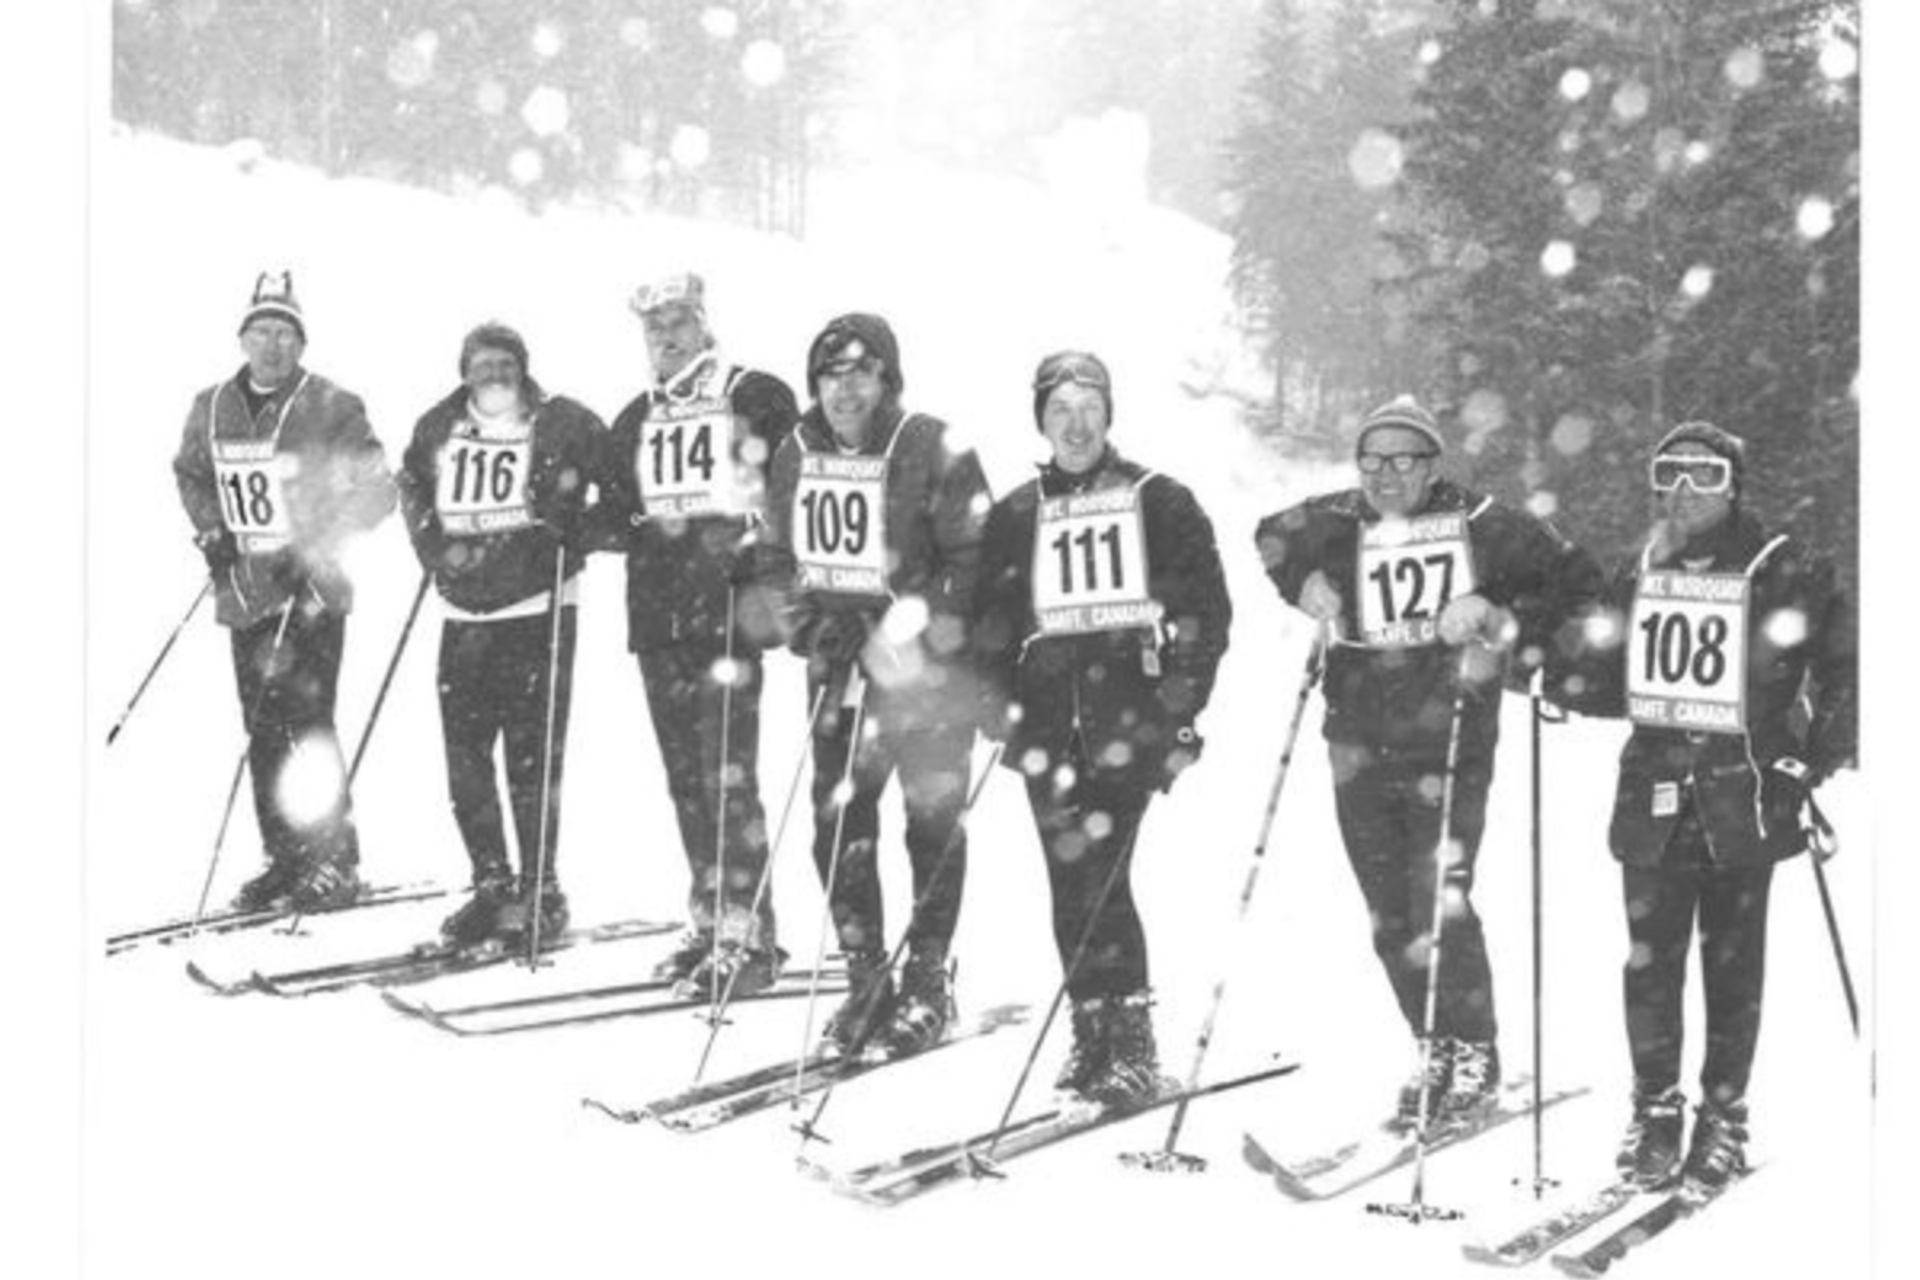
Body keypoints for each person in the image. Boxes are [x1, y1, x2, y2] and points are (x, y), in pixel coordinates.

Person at [1254, 395, 1603, 1129]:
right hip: (1356, 736)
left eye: (1403, 460)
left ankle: (1474, 1048)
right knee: (1387, 911)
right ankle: (1433, 1042)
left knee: (1437, 896)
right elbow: (1269, 536)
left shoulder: (1484, 524)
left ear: (1432, 464)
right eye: (1372, 459)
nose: (1385, 475)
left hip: (1449, 733)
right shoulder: (1338, 517)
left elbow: (1577, 582)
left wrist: (1493, 613)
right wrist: (1303, 585)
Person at [1554, 422, 1855, 1195]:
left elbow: (1846, 666)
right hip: (1654, 796)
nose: (1684, 492)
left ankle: (1723, 1116)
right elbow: (1602, 672)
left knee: (1732, 966)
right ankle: (1655, 1108)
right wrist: (1541, 664)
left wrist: (1810, 755)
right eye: (1670, 474)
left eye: (1704, 475)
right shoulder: (1643, 566)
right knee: (1649, 964)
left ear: (1734, 485)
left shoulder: (1785, 565)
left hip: (1743, 798)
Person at [973, 351, 1231, 1105]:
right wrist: (998, 707)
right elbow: (990, 622)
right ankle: (1091, 1028)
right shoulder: (1020, 512)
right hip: (1049, 727)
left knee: (1105, 874)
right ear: (1042, 422)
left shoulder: (1160, 501)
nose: (1076, 424)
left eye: (1089, 408)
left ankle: (1133, 1038)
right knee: (1068, 880)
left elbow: (1206, 617)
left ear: (1109, 416)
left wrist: (1180, 710)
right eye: (1060, 410)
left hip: (1128, 720)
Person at [754, 312, 990, 1058]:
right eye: (831, 374)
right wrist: (814, 629)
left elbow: (977, 558)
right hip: (841, 674)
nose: (845, 388)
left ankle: (926, 978)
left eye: (861, 371)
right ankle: (866, 973)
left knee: (931, 824)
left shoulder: (930, 443)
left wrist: (910, 625)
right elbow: (773, 559)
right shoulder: (794, 452)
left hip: (925, 677)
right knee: (839, 831)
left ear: (887, 378)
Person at [592, 273, 797, 995]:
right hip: (657, 619)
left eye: (679, 323)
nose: (667, 338)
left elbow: (792, 485)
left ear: (704, 324)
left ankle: (752, 932)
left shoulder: (754, 394)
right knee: (685, 779)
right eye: (654, 328)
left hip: (727, 618)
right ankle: (710, 918)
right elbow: (618, 514)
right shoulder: (633, 418)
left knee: (729, 777)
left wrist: (762, 558)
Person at [174, 270, 396, 912]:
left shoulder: (331, 403)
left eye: (284, 334)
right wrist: (213, 528)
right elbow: (192, 474)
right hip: (246, 592)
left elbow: (378, 488)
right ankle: (286, 856)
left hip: (311, 591)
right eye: (261, 331)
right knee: (264, 728)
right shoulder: (211, 405)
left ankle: (336, 860)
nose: (272, 345)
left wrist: (318, 539)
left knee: (310, 726)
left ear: (300, 344)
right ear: (243, 338)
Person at [395, 323, 604, 948]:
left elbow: (621, 481)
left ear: (524, 368)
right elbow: (410, 485)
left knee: (532, 760)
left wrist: (574, 533)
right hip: (464, 617)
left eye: (505, 363)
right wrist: (433, 547)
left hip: (537, 609)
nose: (494, 374)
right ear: (464, 372)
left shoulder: (562, 421)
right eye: (482, 364)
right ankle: (492, 885)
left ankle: (543, 889)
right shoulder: (439, 424)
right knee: (465, 762)